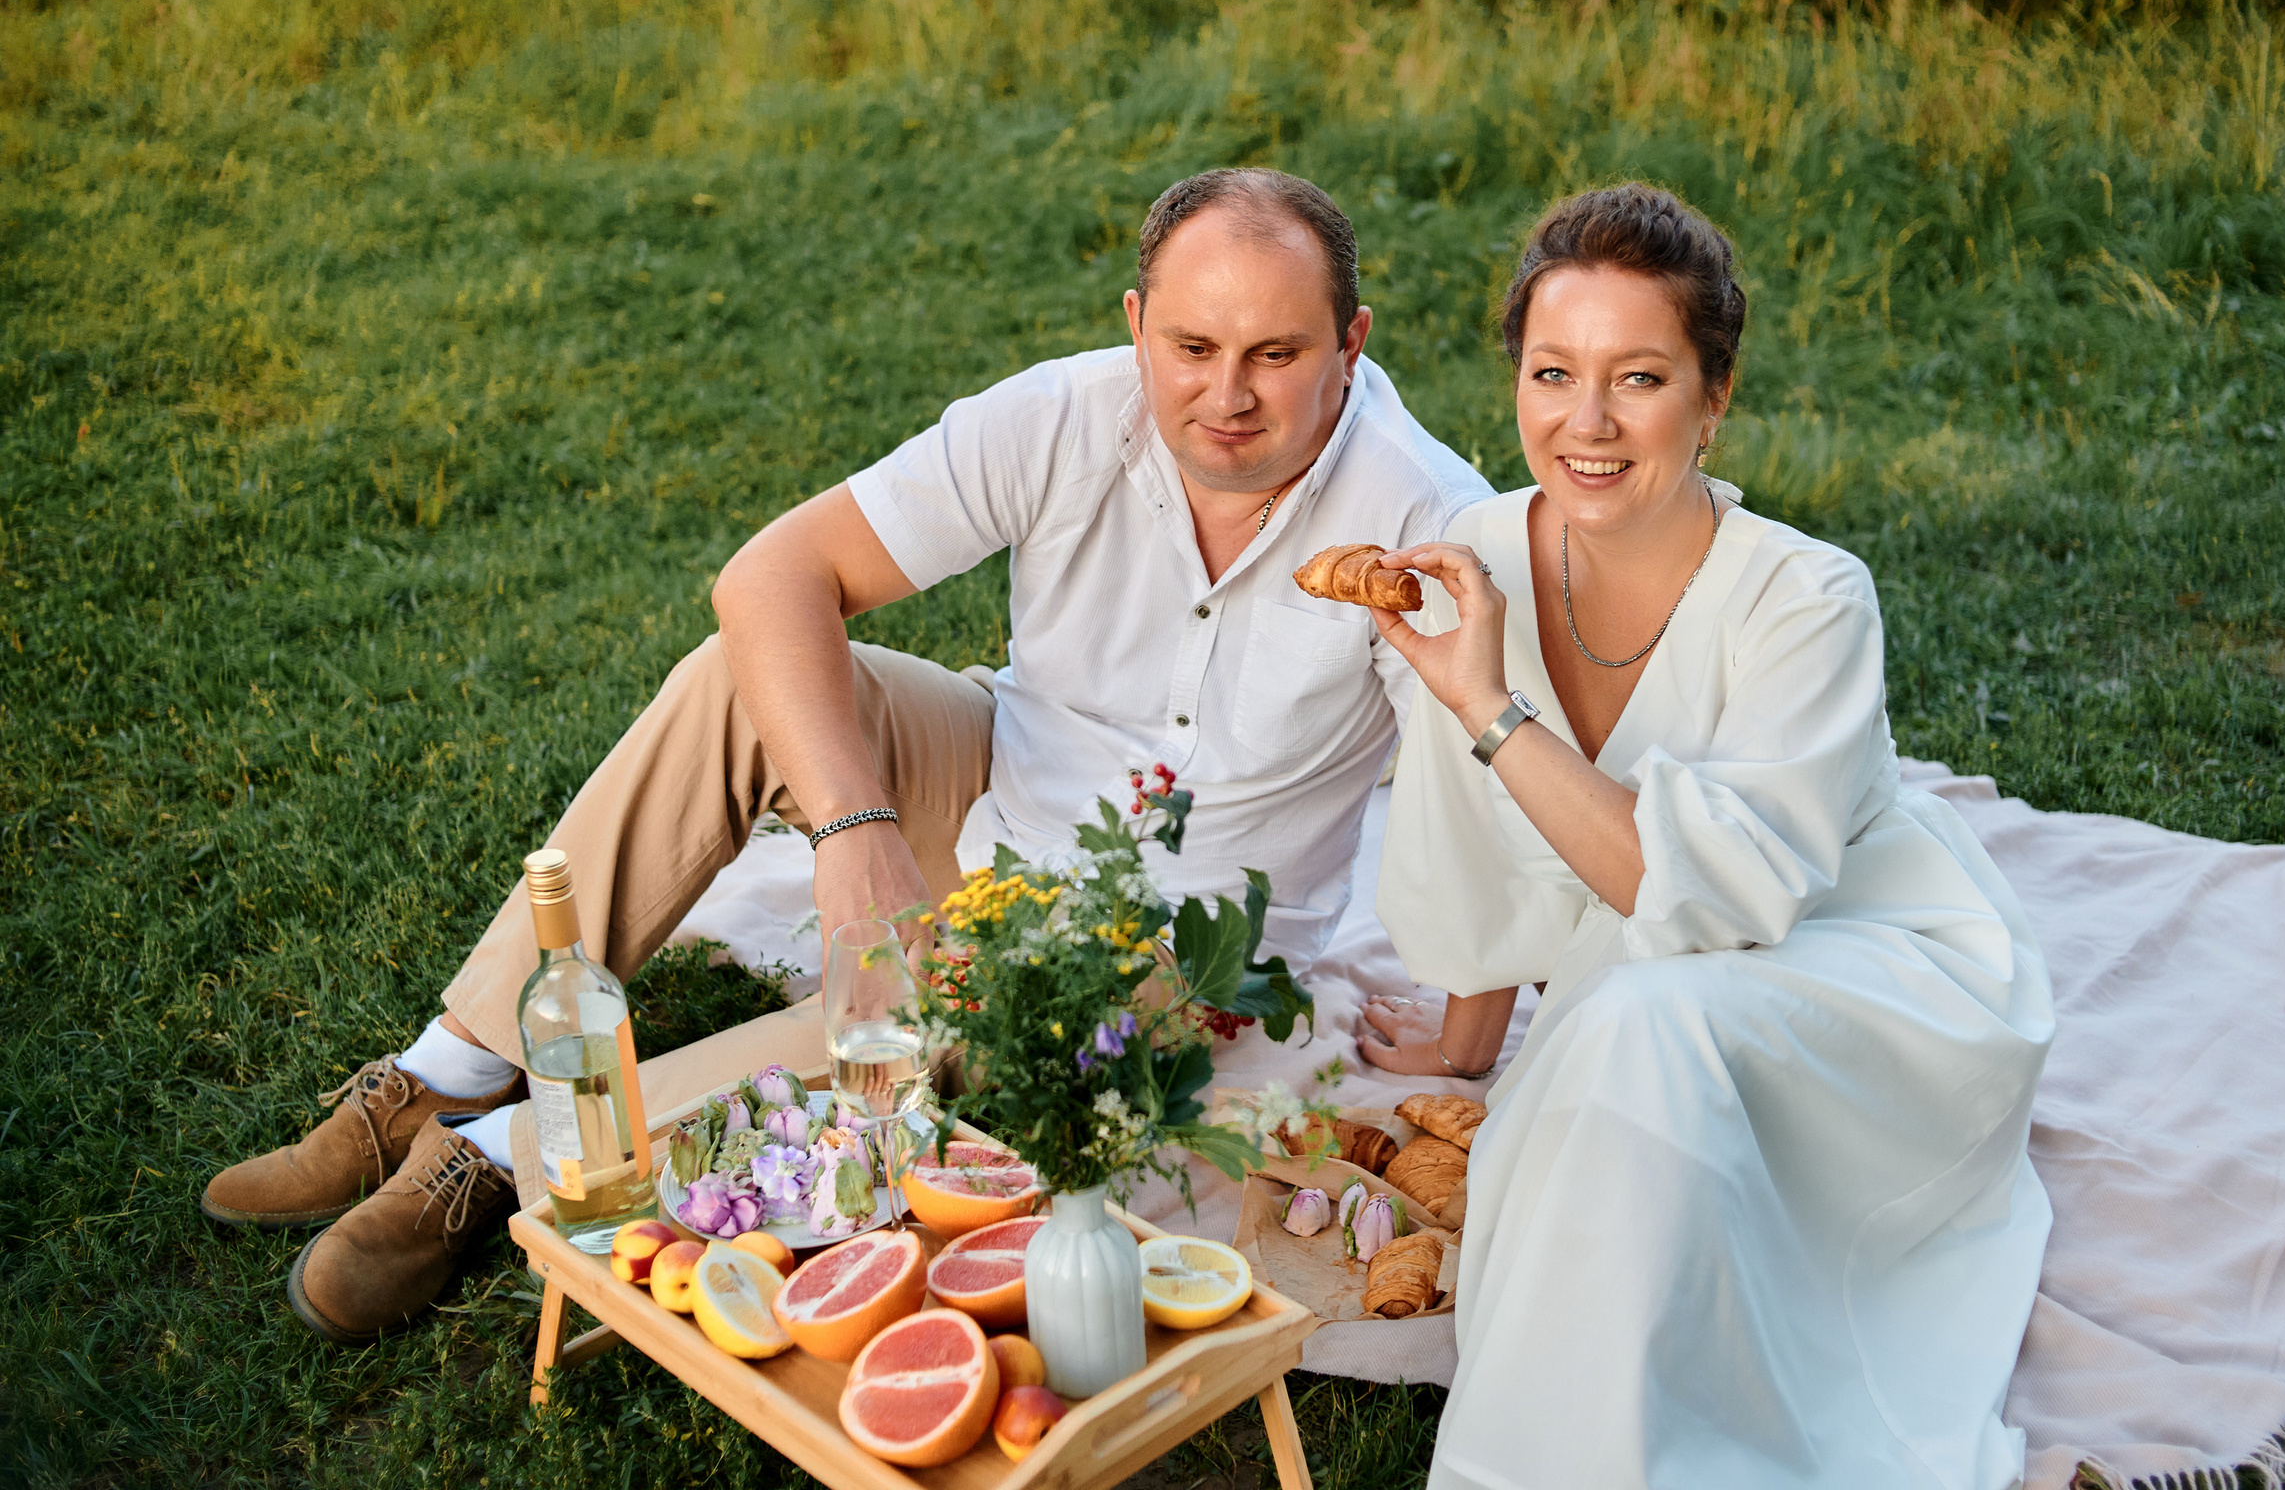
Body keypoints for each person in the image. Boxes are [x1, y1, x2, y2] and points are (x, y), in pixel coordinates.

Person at [202, 167, 1490, 1345]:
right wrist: (854, 832)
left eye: (1276, 353)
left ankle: (506, 1157)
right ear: (1137, 319)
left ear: (1352, 344)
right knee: (739, 680)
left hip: (1184, 932)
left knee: (967, 1037)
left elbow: (1497, 780)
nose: (1226, 395)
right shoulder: (1064, 414)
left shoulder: (1425, 516)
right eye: (1191, 347)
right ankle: (445, 1069)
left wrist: (1468, 1028)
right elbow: (775, 571)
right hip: (1000, 784)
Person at [1362, 184, 2053, 1488]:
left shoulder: (1810, 597)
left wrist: (1494, 708)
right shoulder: (1469, 552)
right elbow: (1470, 827)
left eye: (1641, 378)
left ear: (1713, 395)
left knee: (1634, 1028)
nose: (1589, 423)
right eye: (1554, 372)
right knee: (1625, 1036)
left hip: (1860, 963)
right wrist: (1467, 1041)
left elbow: (1712, 899)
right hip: (1653, 986)